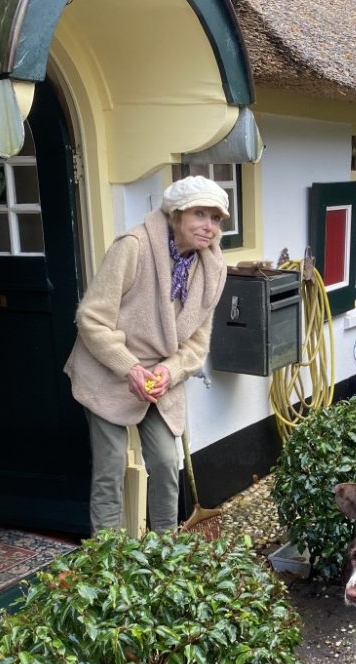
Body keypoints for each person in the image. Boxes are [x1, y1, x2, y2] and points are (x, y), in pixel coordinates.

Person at [64, 176, 229, 535]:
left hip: (160, 377)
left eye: (216, 218)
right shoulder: (133, 246)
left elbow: (198, 344)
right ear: (175, 214)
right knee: (110, 468)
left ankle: (163, 551)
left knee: (168, 463)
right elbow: (91, 318)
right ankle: (107, 559)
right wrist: (130, 368)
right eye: (200, 214)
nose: (209, 226)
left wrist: (170, 372)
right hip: (109, 367)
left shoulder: (214, 269)